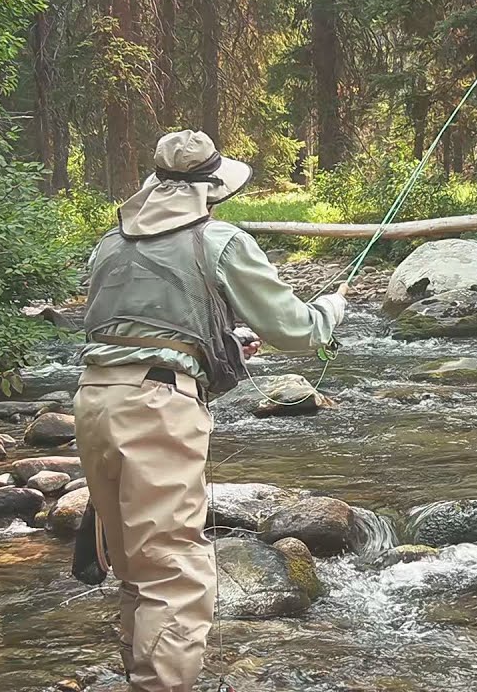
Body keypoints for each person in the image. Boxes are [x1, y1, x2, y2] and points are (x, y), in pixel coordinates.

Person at [73, 130, 347, 692]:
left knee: (135, 566)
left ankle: (143, 678)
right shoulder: (221, 240)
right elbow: (297, 330)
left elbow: (128, 330)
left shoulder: (110, 244)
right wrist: (331, 311)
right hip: (156, 409)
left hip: (94, 399)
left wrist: (217, 344)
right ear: (212, 190)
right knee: (173, 571)